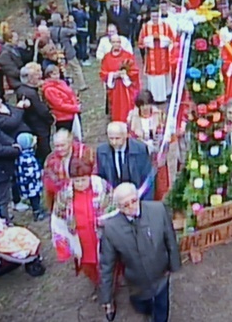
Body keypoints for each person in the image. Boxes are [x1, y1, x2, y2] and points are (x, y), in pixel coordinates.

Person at [100, 183, 181, 322]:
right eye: (125, 205)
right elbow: (107, 265)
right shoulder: (111, 229)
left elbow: (170, 239)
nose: (131, 207)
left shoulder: (158, 210)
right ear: (118, 207)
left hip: (161, 275)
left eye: (133, 201)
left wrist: (174, 265)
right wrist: (106, 297)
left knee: (162, 308)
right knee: (141, 305)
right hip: (136, 281)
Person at [51, 160, 113, 285]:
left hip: (101, 235)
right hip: (80, 239)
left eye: (83, 180)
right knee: (87, 264)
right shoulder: (64, 194)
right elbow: (58, 217)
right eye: (76, 181)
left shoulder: (102, 187)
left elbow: (112, 207)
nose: (80, 184)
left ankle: (110, 287)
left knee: (108, 263)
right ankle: (97, 284)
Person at [127, 90, 169, 199]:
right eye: (142, 105)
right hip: (141, 154)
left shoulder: (159, 115)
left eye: (147, 104)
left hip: (157, 153)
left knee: (160, 180)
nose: (145, 108)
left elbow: (165, 134)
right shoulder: (132, 118)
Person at [96, 122, 155, 199]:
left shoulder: (140, 149)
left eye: (117, 138)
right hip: (114, 196)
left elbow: (147, 177)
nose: (114, 142)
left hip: (136, 194)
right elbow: (102, 177)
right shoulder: (101, 151)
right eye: (111, 138)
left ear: (126, 135)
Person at [43, 130, 96, 211]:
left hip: (86, 195)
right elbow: (49, 182)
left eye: (62, 145)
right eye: (57, 146)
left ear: (70, 142)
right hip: (63, 198)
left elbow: (95, 172)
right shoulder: (51, 160)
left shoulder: (86, 152)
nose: (60, 149)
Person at [16, 62, 54, 164]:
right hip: (38, 125)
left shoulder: (22, 89)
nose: (39, 76)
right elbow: (41, 110)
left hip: (33, 124)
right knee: (44, 150)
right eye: (36, 75)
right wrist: (51, 118)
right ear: (29, 78)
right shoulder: (30, 93)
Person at [100, 34, 140, 122]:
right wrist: (113, 75)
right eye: (114, 42)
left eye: (118, 42)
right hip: (114, 89)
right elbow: (103, 72)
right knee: (116, 107)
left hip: (126, 88)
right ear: (110, 43)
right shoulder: (107, 57)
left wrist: (125, 74)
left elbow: (135, 70)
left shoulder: (127, 55)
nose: (116, 44)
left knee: (127, 106)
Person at [138, 12, 175, 103]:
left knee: (163, 76)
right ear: (150, 16)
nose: (155, 18)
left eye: (156, 16)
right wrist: (150, 40)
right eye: (153, 16)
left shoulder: (165, 26)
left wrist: (161, 38)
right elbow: (141, 42)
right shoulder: (145, 27)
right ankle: (153, 96)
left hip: (163, 56)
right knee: (153, 77)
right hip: (151, 56)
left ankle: (164, 95)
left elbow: (172, 39)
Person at [50, 13, 87, 91]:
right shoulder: (64, 31)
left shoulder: (50, 30)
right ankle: (82, 84)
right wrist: (72, 22)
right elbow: (74, 31)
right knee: (76, 68)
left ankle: (66, 85)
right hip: (68, 50)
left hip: (58, 51)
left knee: (63, 69)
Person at [42, 64, 81, 133]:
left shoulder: (62, 82)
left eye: (57, 73)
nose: (57, 76)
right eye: (54, 74)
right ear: (48, 76)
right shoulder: (49, 90)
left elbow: (71, 94)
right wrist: (75, 108)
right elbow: (59, 105)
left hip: (73, 113)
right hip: (63, 118)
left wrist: (76, 102)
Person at [15, 132, 46, 221]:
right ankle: (37, 213)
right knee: (35, 198)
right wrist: (40, 174)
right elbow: (31, 173)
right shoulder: (28, 158)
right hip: (31, 185)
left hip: (26, 184)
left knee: (34, 198)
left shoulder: (20, 155)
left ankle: (37, 209)